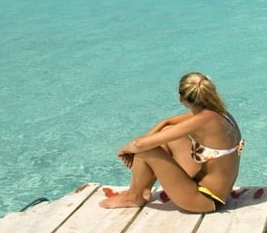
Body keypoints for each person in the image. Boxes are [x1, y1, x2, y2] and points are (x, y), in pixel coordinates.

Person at [100, 72, 244, 212]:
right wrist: (137, 151)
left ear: (181, 99)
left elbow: (139, 145)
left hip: (205, 199)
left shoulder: (203, 121)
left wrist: (126, 150)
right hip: (212, 188)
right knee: (165, 134)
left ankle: (134, 196)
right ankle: (143, 188)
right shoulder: (218, 114)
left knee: (146, 148)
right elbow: (167, 122)